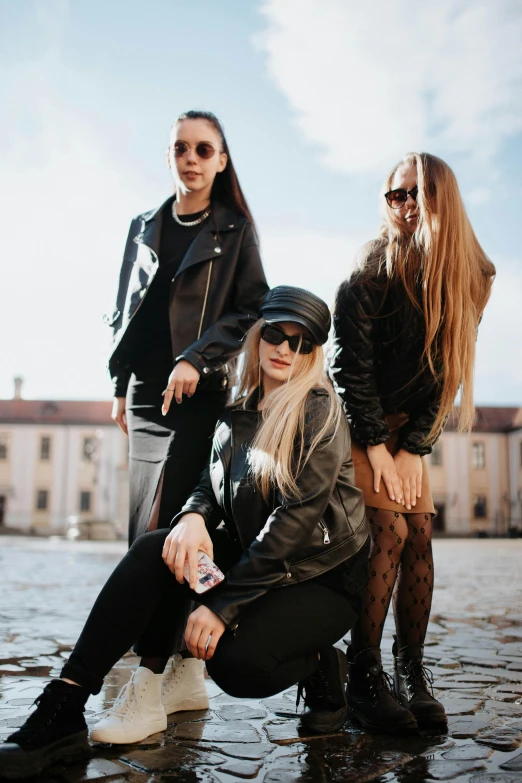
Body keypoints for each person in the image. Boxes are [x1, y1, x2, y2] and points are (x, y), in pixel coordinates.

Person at [0, 286, 369, 780]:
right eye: (277, 335)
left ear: (313, 353)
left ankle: (322, 662)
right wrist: (192, 517)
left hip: (321, 575)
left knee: (236, 664)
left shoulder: (319, 408)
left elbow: (297, 520)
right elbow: (208, 486)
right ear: (260, 336)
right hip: (263, 566)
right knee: (159, 547)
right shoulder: (239, 411)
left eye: (302, 343)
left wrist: (221, 605)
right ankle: (63, 703)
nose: (285, 349)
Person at [104, 110, 268, 729]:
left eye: (204, 149)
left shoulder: (235, 230)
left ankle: (149, 679)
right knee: (140, 527)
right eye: (180, 148)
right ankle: (184, 673)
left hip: (199, 397)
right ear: (170, 155)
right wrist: (119, 384)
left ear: (221, 160)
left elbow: (253, 306)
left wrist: (197, 358)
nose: (191, 158)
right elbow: (125, 312)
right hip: (146, 397)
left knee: (172, 527)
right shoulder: (143, 226)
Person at [331, 152, 495, 732]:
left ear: (440, 201)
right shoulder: (371, 267)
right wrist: (378, 445)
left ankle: (410, 671)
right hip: (356, 416)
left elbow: (449, 373)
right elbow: (349, 365)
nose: (403, 207)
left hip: (409, 430)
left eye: (415, 195)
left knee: (422, 536)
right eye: (394, 195)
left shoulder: (473, 274)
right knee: (389, 532)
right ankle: (363, 676)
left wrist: (414, 447)